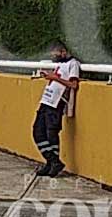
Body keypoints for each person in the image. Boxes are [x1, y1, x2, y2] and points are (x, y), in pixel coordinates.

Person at [31, 41, 80, 177]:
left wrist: (54, 78)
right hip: (46, 100)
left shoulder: (73, 64)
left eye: (56, 53)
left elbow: (73, 84)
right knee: (38, 132)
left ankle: (53, 163)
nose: (55, 56)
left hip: (56, 103)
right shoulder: (59, 64)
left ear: (64, 51)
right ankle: (52, 161)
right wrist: (49, 76)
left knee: (51, 134)